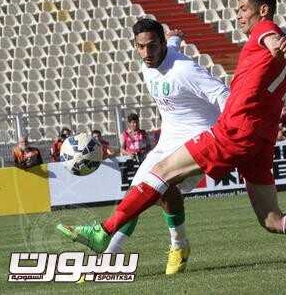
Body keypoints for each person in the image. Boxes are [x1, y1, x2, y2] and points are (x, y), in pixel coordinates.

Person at [57, 0, 286, 262]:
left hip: (234, 131)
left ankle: (104, 232)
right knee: (271, 219)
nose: (238, 15)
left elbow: (270, 38)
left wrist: (274, 43)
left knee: (161, 171)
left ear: (262, 10)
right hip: (261, 141)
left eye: (243, 9)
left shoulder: (263, 32)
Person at [82, 20, 229, 275]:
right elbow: (171, 42)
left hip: (198, 141)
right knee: (135, 197)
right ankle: (108, 263)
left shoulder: (185, 70)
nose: (147, 54)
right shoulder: (149, 61)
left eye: (152, 46)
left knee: (162, 189)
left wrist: (230, 134)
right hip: (167, 143)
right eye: (141, 47)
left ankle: (177, 246)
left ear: (160, 44)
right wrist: (175, 37)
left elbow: (223, 93)